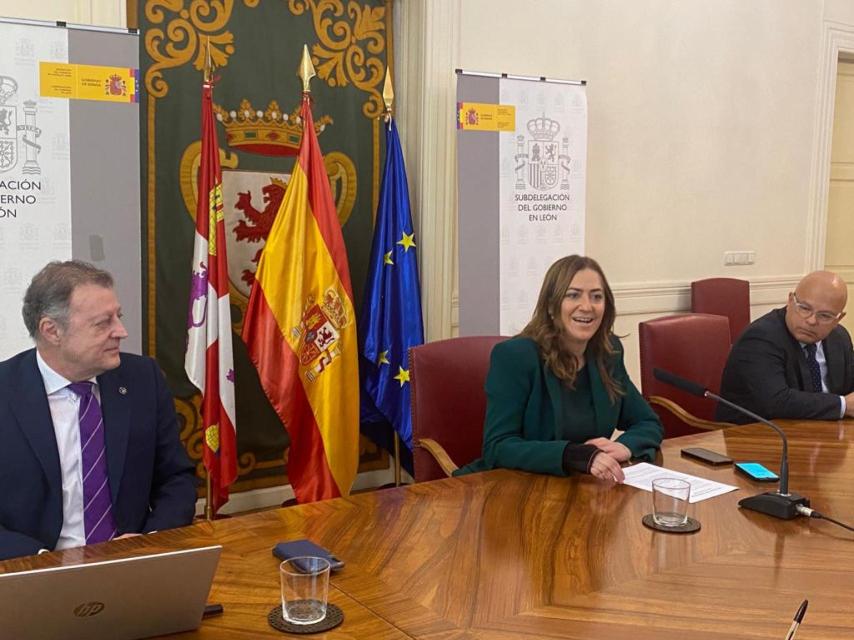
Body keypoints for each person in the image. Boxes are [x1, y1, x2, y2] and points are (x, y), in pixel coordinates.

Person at [0, 260, 196, 560]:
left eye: (118, 317)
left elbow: (176, 478)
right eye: (103, 323)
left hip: (131, 565)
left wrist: (149, 541)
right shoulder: (5, 392)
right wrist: (41, 558)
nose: (121, 331)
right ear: (52, 330)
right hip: (31, 571)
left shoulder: (143, 379)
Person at [457, 255, 663, 482]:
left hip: (579, 488)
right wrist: (572, 455)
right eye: (573, 295)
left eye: (596, 296)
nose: (587, 307)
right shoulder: (516, 356)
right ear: (552, 306)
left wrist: (625, 446)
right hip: (511, 487)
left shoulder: (608, 352)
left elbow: (648, 422)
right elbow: (498, 446)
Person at [716, 270, 854, 424]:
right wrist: (842, 406)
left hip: (823, 434)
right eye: (804, 308)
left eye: (825, 316)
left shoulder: (839, 338)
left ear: (838, 319)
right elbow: (776, 402)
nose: (811, 321)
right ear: (790, 301)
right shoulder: (760, 337)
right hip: (758, 437)